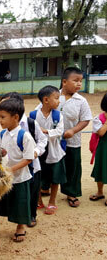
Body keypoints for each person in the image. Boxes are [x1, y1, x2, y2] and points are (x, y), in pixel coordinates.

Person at [0, 92, 47, 227]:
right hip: (14, 165)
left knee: (31, 191)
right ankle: (17, 215)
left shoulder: (31, 123)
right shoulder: (6, 125)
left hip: (32, 165)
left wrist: (36, 152)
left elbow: (42, 140)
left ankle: (31, 215)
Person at [0, 98, 36, 242]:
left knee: (20, 203)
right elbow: (1, 151)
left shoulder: (24, 136)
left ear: (16, 117)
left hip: (20, 178)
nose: (0, 120)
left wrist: (11, 169)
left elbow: (29, 158)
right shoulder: (3, 134)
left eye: (3, 117)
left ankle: (20, 227)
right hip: (4, 178)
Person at [58, 67, 92, 207]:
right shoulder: (54, 96)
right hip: (54, 141)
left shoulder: (81, 101)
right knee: (51, 164)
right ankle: (45, 187)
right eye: (75, 80)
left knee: (72, 167)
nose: (79, 84)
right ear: (64, 81)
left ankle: (71, 192)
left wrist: (73, 130)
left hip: (72, 141)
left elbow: (85, 119)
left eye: (81, 81)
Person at [32, 86, 67, 215]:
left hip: (54, 151)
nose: (59, 101)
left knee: (55, 177)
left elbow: (60, 131)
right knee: (38, 176)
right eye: (57, 98)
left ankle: (52, 202)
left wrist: (46, 131)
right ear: (46, 100)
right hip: (39, 151)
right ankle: (39, 201)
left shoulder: (58, 115)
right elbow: (31, 133)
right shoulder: (34, 115)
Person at [89, 93, 107, 206]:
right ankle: (100, 192)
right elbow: (101, 132)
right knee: (101, 169)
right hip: (103, 149)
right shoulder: (98, 118)